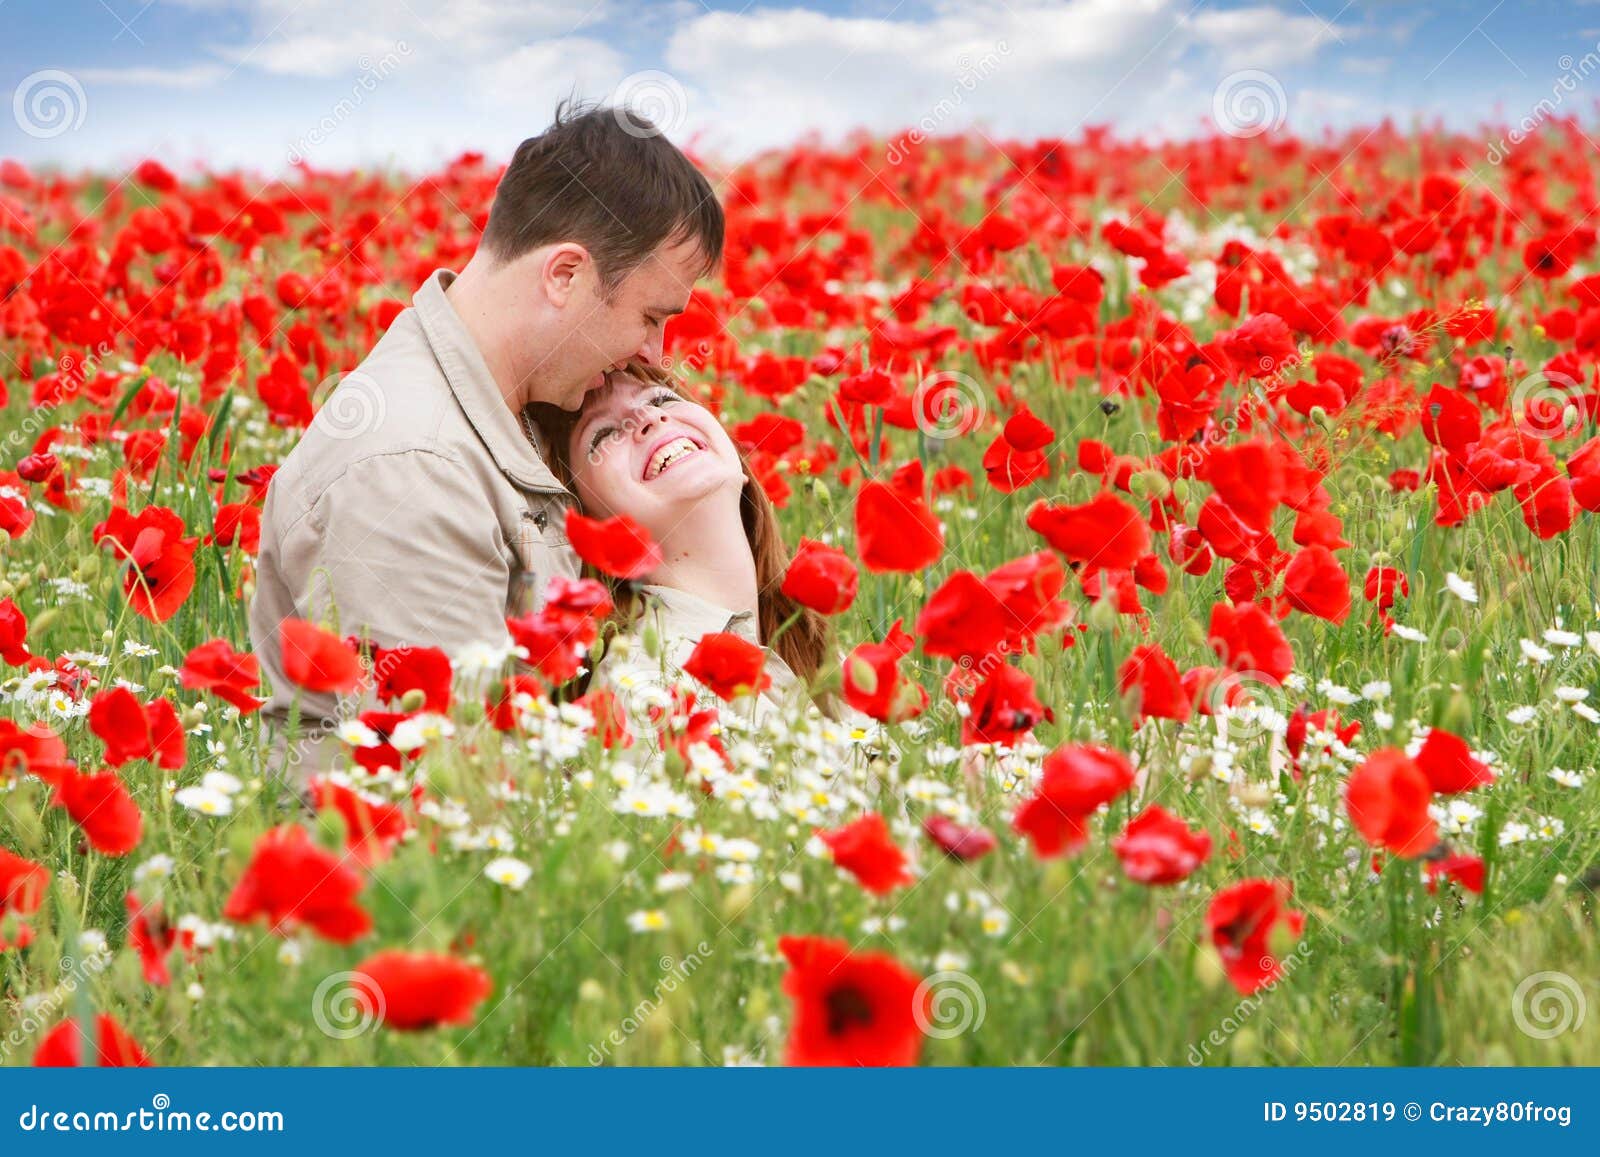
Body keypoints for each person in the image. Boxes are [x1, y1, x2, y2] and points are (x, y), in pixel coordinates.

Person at [247, 102, 724, 788]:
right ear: (565, 275)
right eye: (651, 317)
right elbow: (453, 788)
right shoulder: (413, 470)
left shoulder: (519, 406)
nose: (655, 352)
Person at [527, 362, 891, 757]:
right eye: (603, 434)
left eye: (662, 399)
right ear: (584, 522)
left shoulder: (812, 650)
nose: (648, 417)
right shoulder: (642, 690)